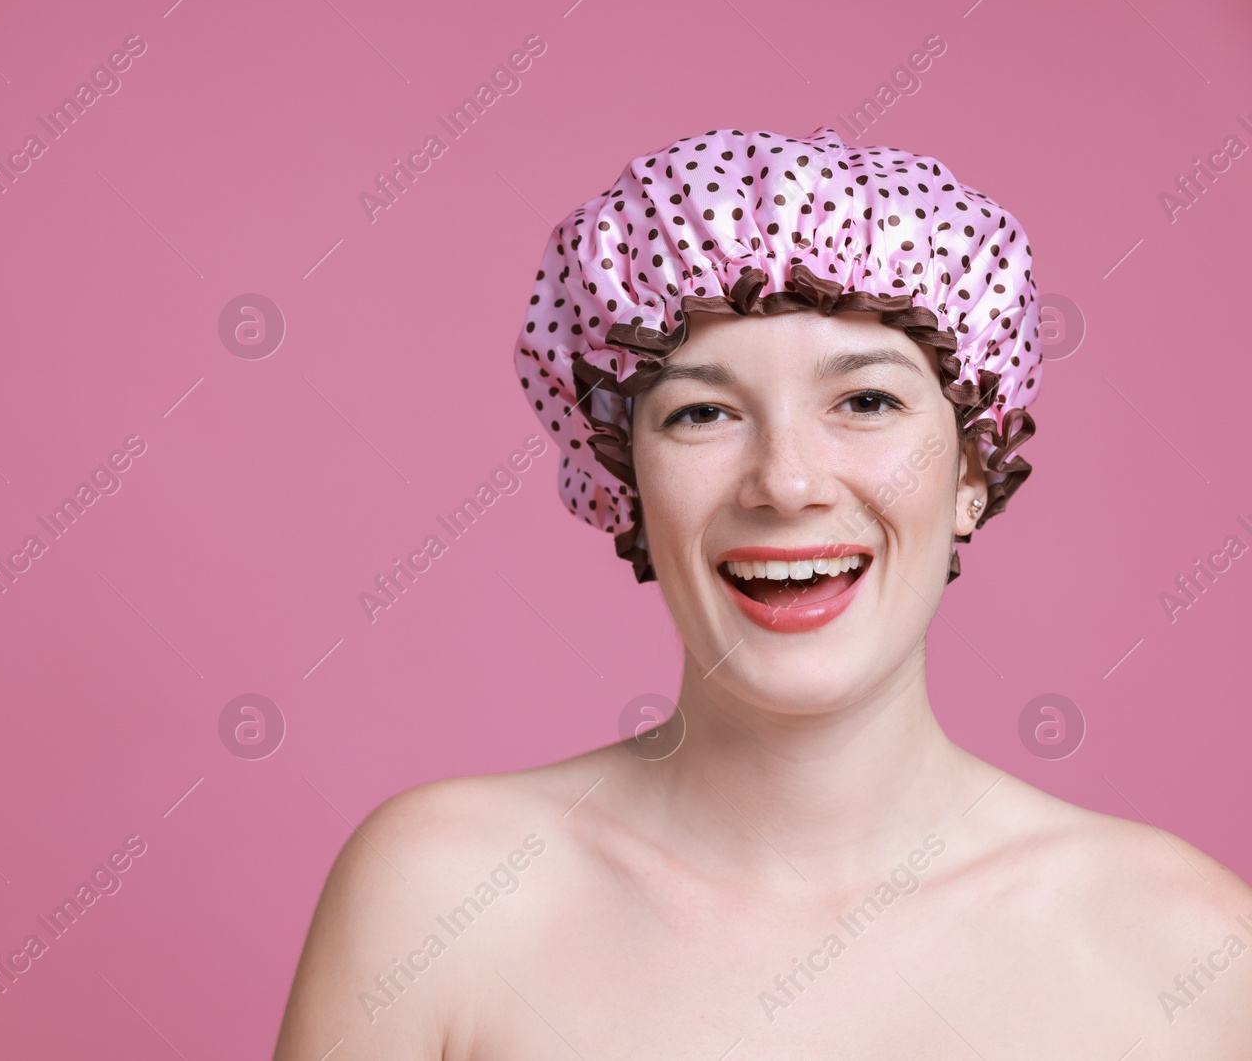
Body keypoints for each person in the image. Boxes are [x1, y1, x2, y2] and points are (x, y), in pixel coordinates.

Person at [272, 127, 1252, 1059]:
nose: (785, 482)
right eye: (702, 411)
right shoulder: (441, 897)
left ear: (972, 470)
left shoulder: (1189, 947)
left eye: (865, 401)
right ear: (625, 480)